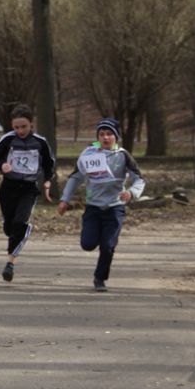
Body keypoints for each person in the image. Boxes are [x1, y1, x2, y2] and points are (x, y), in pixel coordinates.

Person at [56, 118, 145, 292]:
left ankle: (100, 278)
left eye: (109, 134)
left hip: (115, 207)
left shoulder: (123, 155)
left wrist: (132, 193)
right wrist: (64, 199)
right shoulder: (89, 154)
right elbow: (75, 178)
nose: (105, 138)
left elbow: (139, 179)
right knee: (87, 244)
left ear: (116, 137)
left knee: (108, 246)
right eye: (102, 134)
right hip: (93, 207)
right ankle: (95, 235)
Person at [0, 104, 56, 282]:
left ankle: (10, 263)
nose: (20, 130)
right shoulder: (7, 140)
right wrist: (1, 165)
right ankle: (15, 233)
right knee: (10, 227)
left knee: (20, 223)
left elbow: (49, 164)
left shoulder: (40, 142)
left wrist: (47, 181)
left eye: (23, 126)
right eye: (16, 127)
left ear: (31, 124)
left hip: (29, 189)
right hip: (8, 188)